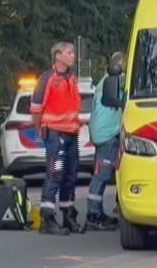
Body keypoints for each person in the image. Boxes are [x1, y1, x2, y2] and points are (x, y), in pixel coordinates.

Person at [31, 41, 82, 234]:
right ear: (58, 56)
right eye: (69, 53)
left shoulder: (72, 79)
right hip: (56, 134)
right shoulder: (47, 79)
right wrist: (41, 129)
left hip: (71, 134)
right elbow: (36, 109)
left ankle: (68, 215)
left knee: (70, 174)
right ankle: (47, 219)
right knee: (55, 174)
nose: (73, 56)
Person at [85, 50, 126, 230]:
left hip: (102, 132)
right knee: (101, 175)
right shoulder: (119, 79)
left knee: (102, 174)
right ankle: (93, 215)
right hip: (108, 134)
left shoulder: (105, 80)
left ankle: (98, 212)